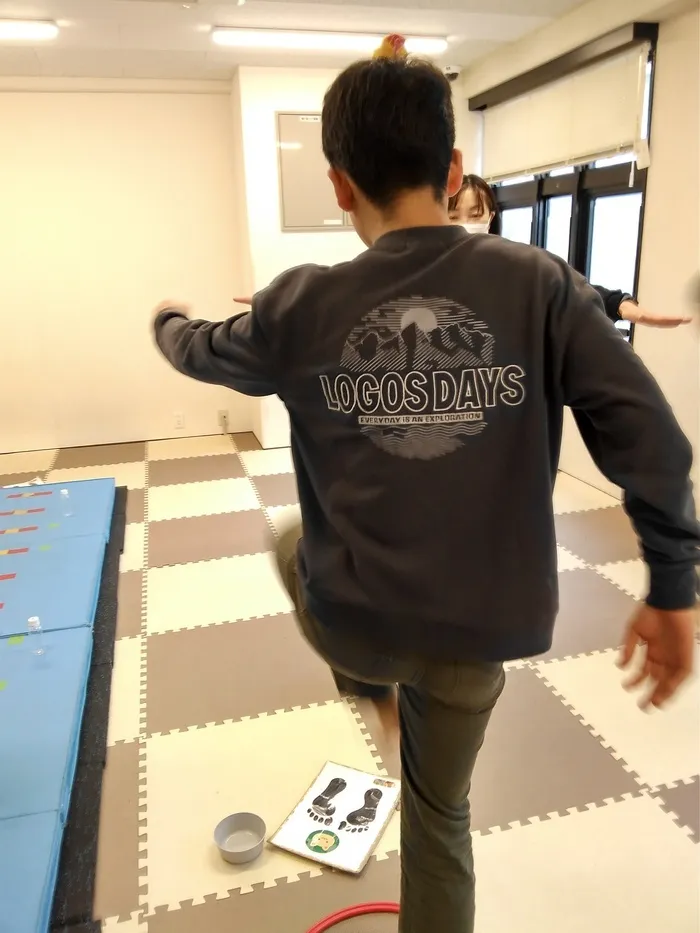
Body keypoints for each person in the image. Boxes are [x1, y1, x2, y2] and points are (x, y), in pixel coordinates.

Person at [152, 55, 699, 933]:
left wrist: (166, 319)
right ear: (452, 171)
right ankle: (386, 696)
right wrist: (674, 585)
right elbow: (652, 440)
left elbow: (200, 347)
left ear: (339, 184)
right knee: (440, 820)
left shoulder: (300, 304)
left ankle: (370, 685)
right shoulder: (539, 283)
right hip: (479, 632)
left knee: (292, 541)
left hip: (358, 622)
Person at [449, 173, 693, 329]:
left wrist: (617, 304)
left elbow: (565, 286)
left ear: (490, 217)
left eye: (475, 215)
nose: (464, 224)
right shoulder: (433, 269)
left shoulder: (513, 267)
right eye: (453, 216)